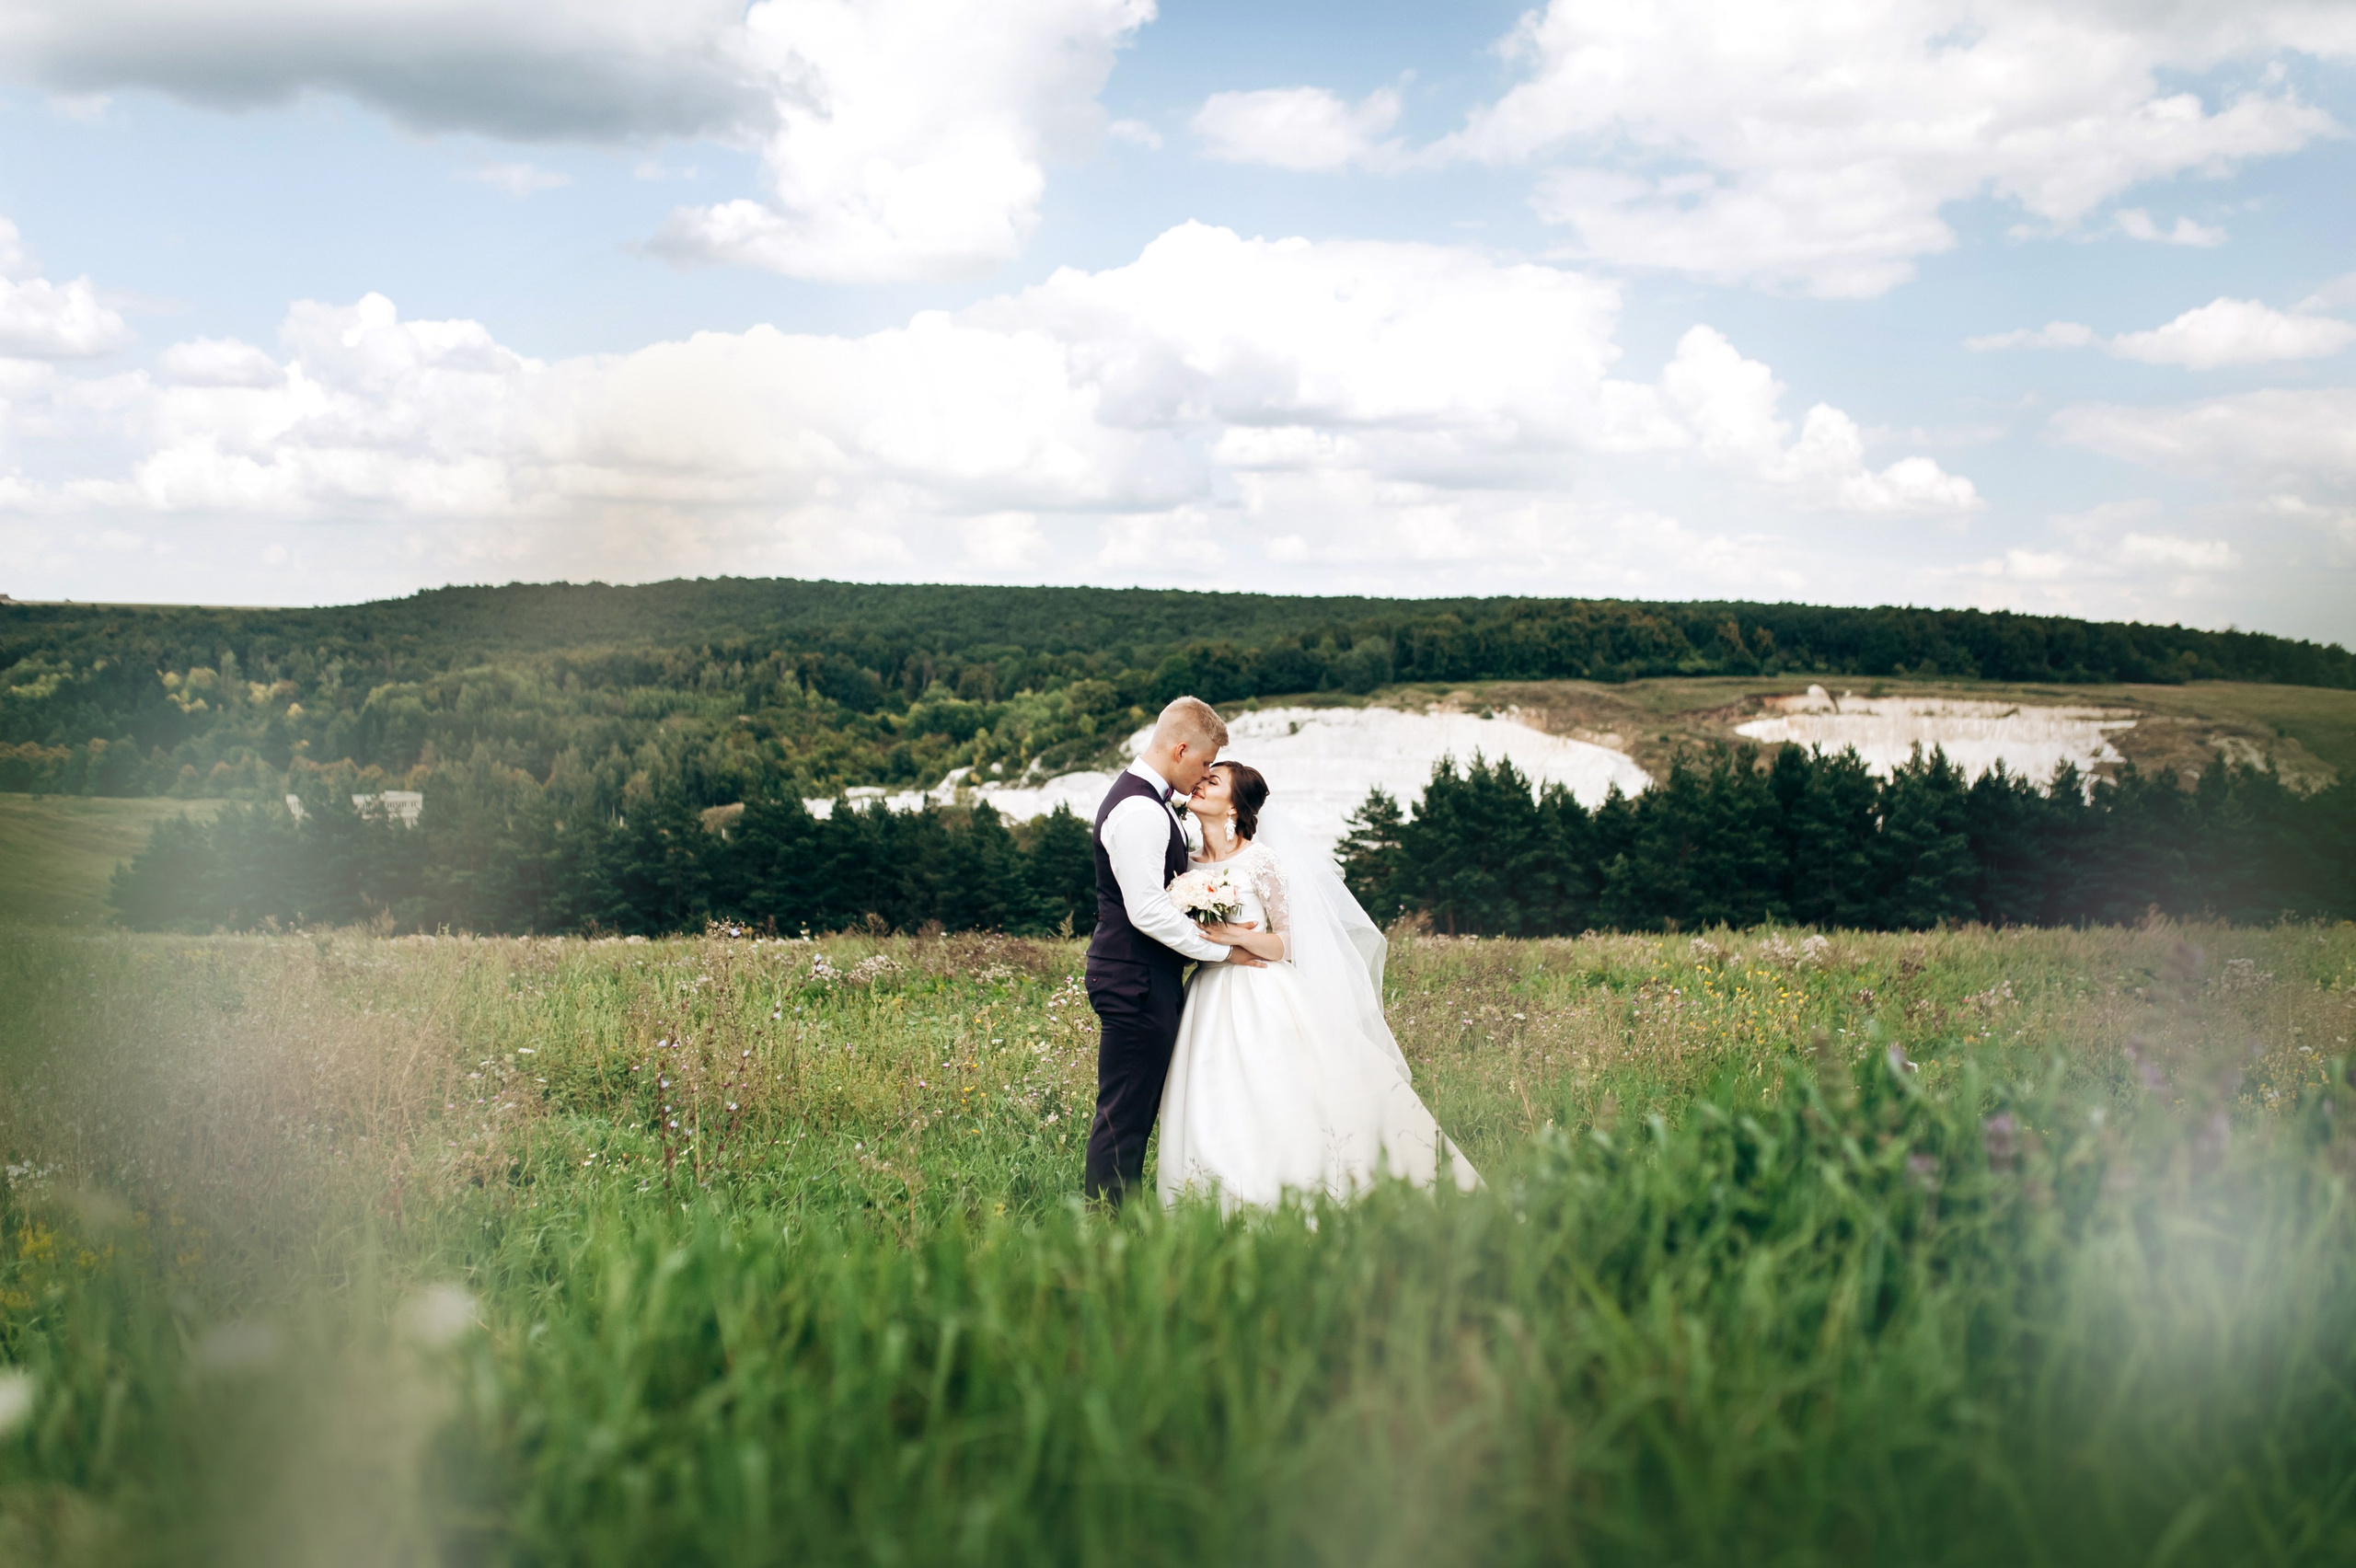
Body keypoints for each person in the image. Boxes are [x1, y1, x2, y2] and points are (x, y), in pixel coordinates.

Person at [1157, 759, 1480, 1211]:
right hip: (1207, 996)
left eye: (1213, 782)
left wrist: (1235, 935)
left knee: (1277, 1095)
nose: (1200, 785)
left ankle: (1290, 1192)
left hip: (1262, 993)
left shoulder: (1262, 861)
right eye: (1203, 779)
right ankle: (1211, 1199)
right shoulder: (1184, 868)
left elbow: (1287, 943)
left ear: (1234, 807)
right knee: (1211, 1097)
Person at [1082, 696, 1265, 1205]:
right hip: (1134, 979)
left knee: (1134, 1111)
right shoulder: (1141, 809)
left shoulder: (1150, 802)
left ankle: (1119, 1218)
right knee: (1125, 1115)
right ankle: (1108, 1225)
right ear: (1182, 749)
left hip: (1141, 977)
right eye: (1205, 763)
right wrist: (1224, 954)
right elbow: (1147, 911)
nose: (1205, 773)